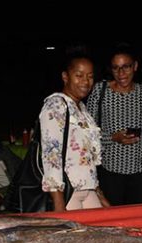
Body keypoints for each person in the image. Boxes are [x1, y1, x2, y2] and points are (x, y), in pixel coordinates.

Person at [40, 51, 108, 212]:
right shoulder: (56, 105)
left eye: (90, 76)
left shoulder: (81, 108)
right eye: (79, 75)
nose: (86, 81)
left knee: (99, 233)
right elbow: (52, 156)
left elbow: (87, 158)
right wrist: (58, 205)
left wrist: (100, 194)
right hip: (68, 192)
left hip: (89, 189)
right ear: (65, 76)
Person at [86, 44, 142, 205]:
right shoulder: (100, 91)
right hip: (111, 170)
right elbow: (88, 134)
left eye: (126, 67)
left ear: (135, 66)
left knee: (137, 219)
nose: (121, 73)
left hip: (141, 170)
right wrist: (113, 138)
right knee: (114, 220)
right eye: (116, 68)